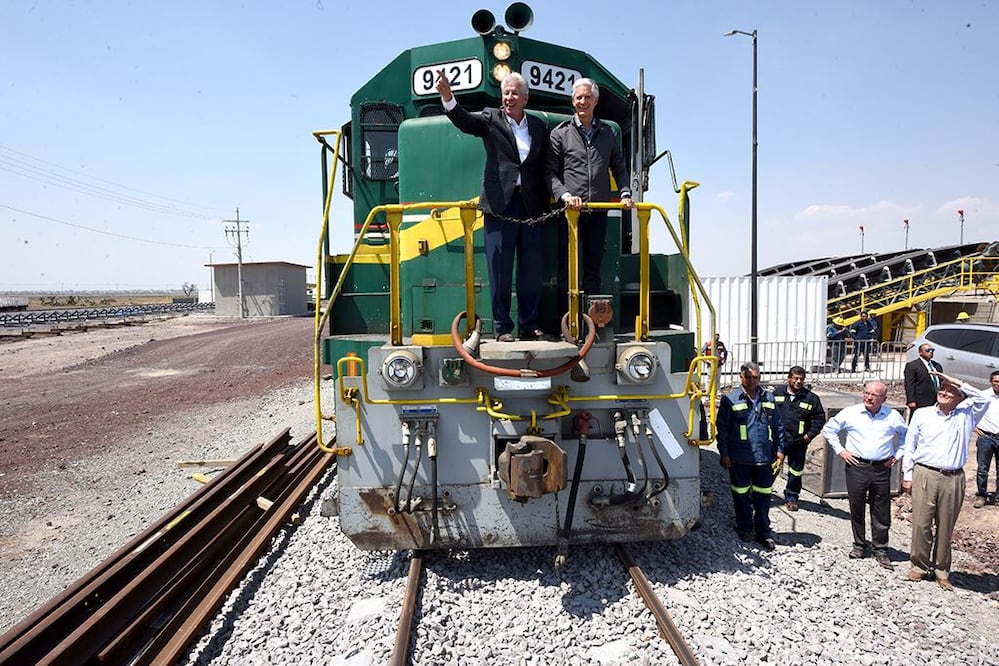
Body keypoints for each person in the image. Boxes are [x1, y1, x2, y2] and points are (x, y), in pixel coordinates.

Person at [436, 70, 551, 342]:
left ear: (525, 98)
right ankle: (502, 327)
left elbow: (544, 165)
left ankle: (529, 324)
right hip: (500, 205)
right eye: (505, 93)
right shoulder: (491, 118)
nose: (509, 98)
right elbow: (465, 122)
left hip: (532, 207)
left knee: (532, 269)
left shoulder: (538, 126)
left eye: (514, 93)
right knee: (499, 268)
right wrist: (448, 97)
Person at [546, 78, 633, 314]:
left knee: (593, 268)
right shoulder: (560, 133)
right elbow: (550, 172)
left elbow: (619, 167)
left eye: (587, 97)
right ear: (573, 101)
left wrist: (625, 193)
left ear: (595, 101)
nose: (582, 101)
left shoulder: (607, 134)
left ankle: (592, 321)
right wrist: (564, 196)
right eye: (578, 97)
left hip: (598, 210)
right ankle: (567, 321)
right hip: (570, 213)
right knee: (567, 268)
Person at [899, 372, 989, 590]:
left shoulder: (967, 414)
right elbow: (910, 446)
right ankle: (919, 566)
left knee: (946, 526)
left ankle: (941, 570)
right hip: (925, 473)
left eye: (951, 391)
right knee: (921, 523)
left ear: (960, 397)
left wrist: (956, 380)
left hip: (953, 477)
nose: (944, 392)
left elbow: (984, 399)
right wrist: (908, 476)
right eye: (942, 388)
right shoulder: (922, 414)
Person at [821, 380, 907, 570]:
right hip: (857, 466)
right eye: (866, 393)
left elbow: (906, 437)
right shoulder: (851, 413)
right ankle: (859, 544)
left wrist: (897, 455)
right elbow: (829, 430)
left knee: (881, 509)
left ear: (883, 399)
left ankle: (880, 549)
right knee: (856, 505)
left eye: (874, 395)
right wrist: (841, 451)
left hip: (881, 468)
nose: (868, 397)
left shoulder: (892, 416)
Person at [716, 362, 785, 550]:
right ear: (741, 377)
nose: (752, 381)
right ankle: (745, 527)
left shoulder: (769, 398)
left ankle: (763, 531)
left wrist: (780, 450)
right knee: (741, 495)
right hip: (739, 457)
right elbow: (722, 428)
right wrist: (724, 453)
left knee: (764, 496)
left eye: (756, 377)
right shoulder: (730, 400)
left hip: (764, 458)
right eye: (748, 377)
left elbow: (778, 426)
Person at [773, 366, 826, 511]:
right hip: (779, 440)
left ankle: (792, 497)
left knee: (796, 471)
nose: (798, 381)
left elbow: (820, 419)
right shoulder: (777, 393)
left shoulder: (811, 398)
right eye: (795, 378)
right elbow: (768, 413)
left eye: (801, 379)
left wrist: (809, 435)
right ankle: (763, 495)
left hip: (798, 442)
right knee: (771, 468)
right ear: (789, 378)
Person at [972, 370, 999, 508]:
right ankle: (981, 495)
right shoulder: (983, 396)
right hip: (986, 437)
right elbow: (969, 410)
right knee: (983, 469)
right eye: (996, 381)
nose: (998, 385)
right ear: (990, 382)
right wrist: (973, 426)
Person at [904, 343, 943, 417]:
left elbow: (940, 382)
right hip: (921, 399)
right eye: (928, 350)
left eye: (932, 350)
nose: (931, 352)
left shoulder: (937, 366)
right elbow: (909, 384)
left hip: (935, 399)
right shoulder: (913, 366)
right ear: (920, 352)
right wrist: (911, 400)